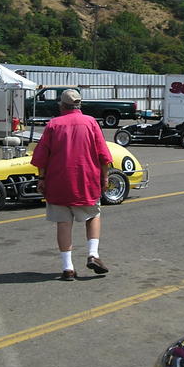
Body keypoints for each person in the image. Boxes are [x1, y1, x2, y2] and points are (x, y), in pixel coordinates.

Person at [31, 89, 113, 280]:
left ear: (61, 105)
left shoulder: (53, 124)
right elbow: (103, 155)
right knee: (93, 215)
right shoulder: (90, 122)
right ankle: (93, 254)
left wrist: (41, 178)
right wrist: (105, 177)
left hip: (58, 181)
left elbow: (41, 157)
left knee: (63, 223)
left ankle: (68, 268)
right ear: (79, 105)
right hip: (86, 180)